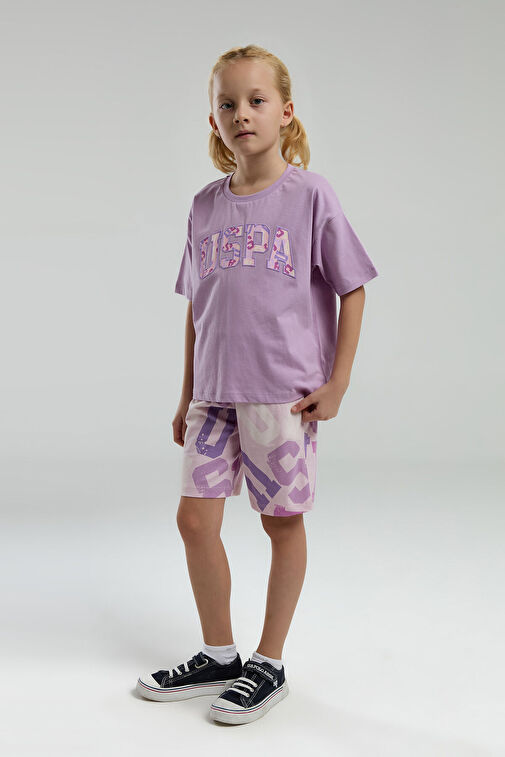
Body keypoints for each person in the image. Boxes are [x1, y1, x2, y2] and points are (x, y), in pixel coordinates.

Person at [136, 44, 379, 725]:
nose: (241, 113)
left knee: (280, 522)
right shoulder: (203, 206)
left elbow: (353, 287)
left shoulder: (310, 195)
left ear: (286, 112)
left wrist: (338, 382)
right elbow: (197, 306)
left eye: (256, 100)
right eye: (227, 103)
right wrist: (185, 394)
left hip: (281, 393)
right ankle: (219, 653)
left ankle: (268, 663)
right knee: (193, 520)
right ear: (213, 120)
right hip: (213, 396)